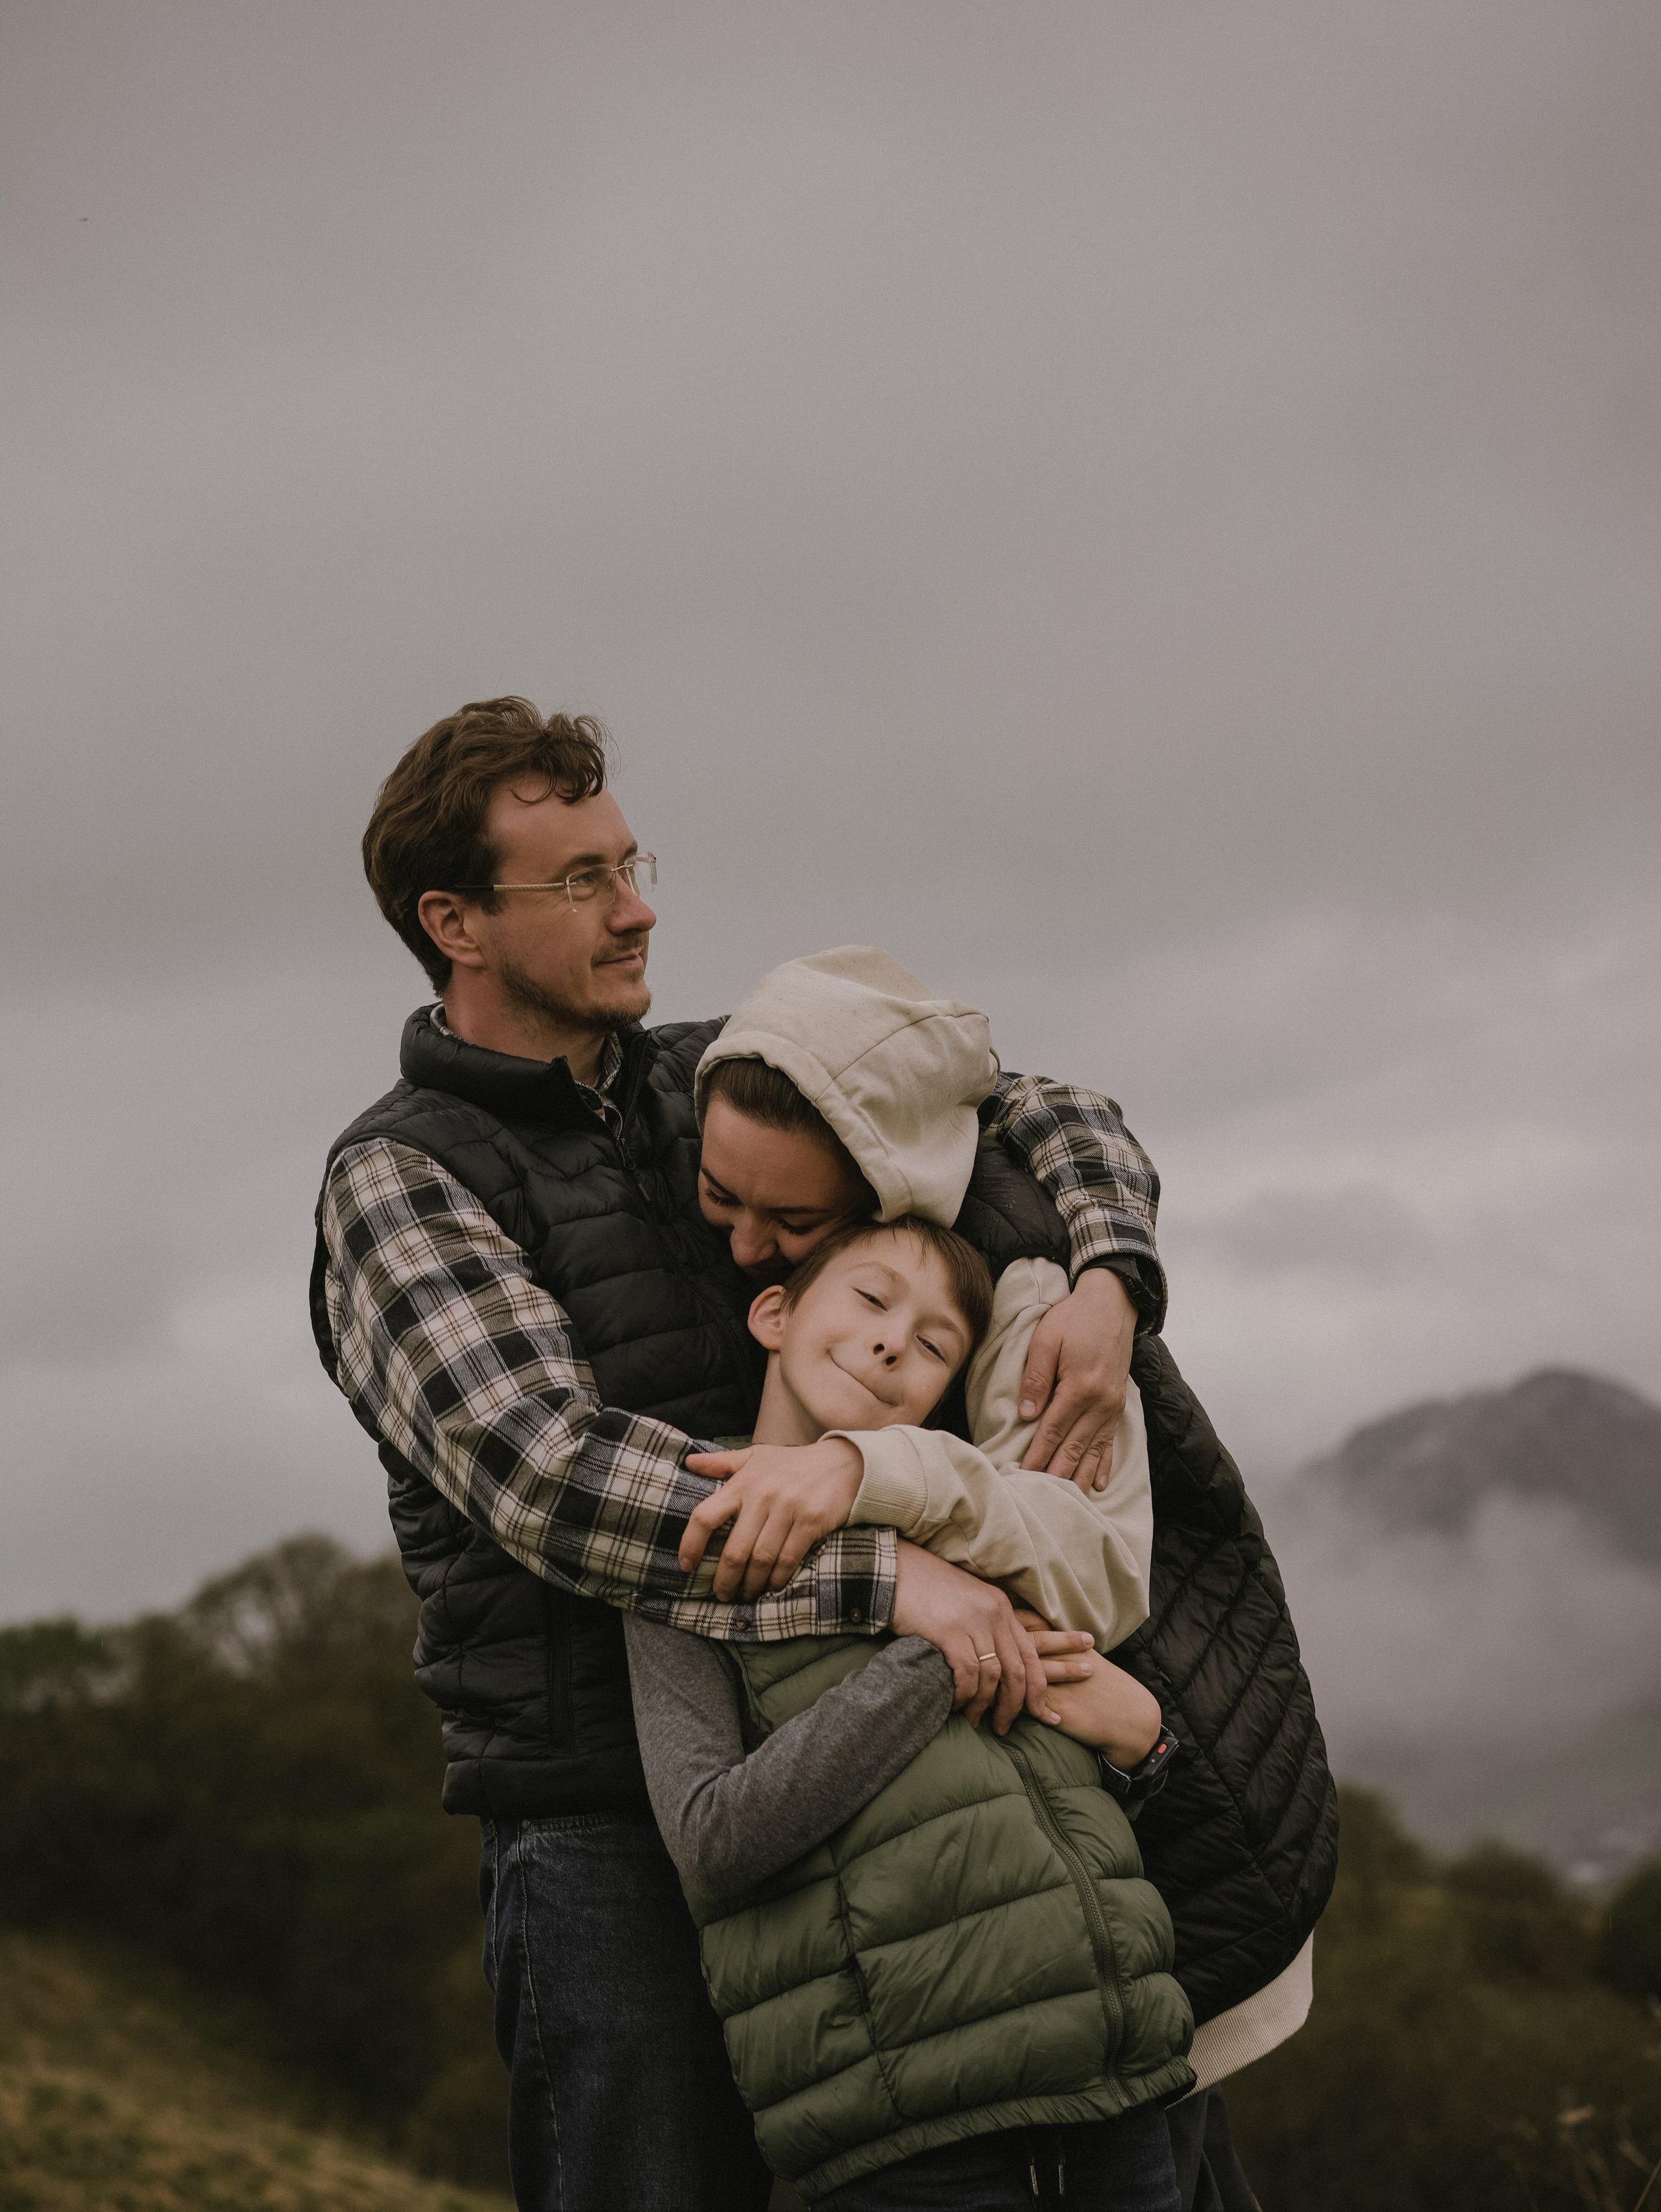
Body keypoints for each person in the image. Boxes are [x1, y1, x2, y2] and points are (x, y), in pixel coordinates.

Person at [310, 697, 1179, 2212]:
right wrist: (891, 1577)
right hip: (605, 1835)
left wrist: (1107, 1275)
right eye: (576, 879)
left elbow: (1041, 1109)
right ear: (452, 920)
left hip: (889, 1774)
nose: (637, 904)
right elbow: (556, 1482)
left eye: (627, 858)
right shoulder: (400, 1179)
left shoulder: (720, 1075)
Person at [625, 1211, 1191, 2208]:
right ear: (774, 1312)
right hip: (912, 2134)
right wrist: (934, 1648)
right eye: (872, 1298)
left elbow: (1004, 1814)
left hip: (1123, 2097)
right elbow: (710, 1839)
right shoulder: (687, 1521)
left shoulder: (965, 1513)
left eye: (935, 1344)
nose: (895, 1340)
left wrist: (1142, 1750)